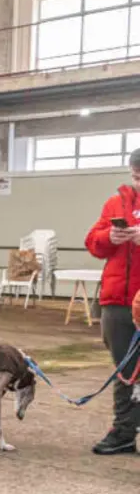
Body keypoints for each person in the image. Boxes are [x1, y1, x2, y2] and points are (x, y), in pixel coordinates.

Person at [84, 148, 140, 455]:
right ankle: (124, 432)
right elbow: (93, 241)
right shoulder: (115, 203)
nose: (138, 180)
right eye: (135, 175)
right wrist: (109, 238)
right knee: (125, 370)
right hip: (118, 301)